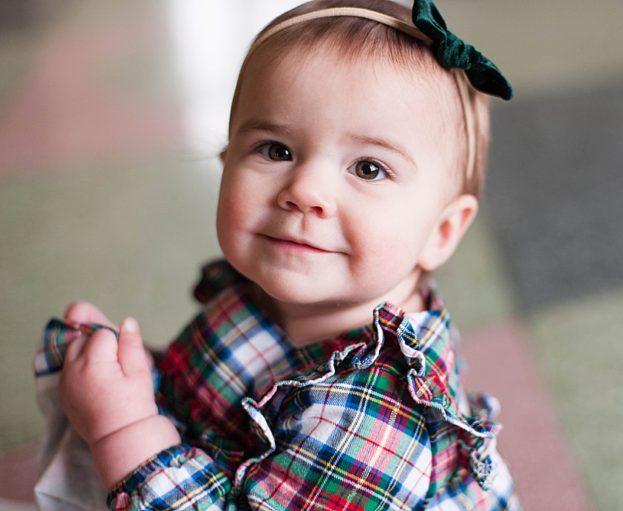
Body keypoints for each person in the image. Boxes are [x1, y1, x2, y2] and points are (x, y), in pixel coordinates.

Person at [33, 0, 519, 509]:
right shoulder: (273, 288)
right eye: (276, 150)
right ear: (227, 161)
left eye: (369, 169)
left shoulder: (377, 415)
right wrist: (125, 373)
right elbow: (209, 404)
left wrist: (123, 427)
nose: (305, 189)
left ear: (440, 232)